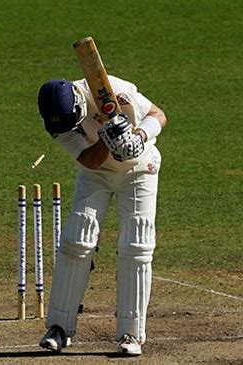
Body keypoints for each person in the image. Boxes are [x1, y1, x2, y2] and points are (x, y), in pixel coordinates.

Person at [36, 76, 167, 356]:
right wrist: (108, 140)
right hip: (96, 175)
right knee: (76, 240)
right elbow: (88, 159)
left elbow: (159, 115)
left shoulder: (110, 89)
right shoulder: (57, 121)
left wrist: (139, 135)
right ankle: (58, 327)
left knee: (136, 246)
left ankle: (131, 334)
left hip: (140, 171)